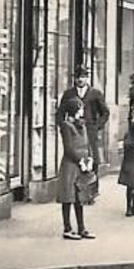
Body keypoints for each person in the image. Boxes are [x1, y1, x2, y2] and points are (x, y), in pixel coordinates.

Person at [57, 95, 98, 240]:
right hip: (71, 165)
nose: (82, 112)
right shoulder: (66, 126)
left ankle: (82, 228)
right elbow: (68, 148)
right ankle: (67, 228)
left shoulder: (82, 125)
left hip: (82, 163)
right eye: (80, 109)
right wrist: (80, 160)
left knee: (80, 197)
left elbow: (88, 144)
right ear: (73, 110)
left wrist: (90, 158)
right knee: (68, 197)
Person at [58, 66, 110, 173]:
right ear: (74, 78)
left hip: (90, 131)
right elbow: (60, 113)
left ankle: (92, 188)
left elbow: (105, 113)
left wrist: (96, 126)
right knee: (75, 159)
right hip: (74, 133)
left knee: (92, 160)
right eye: (77, 77)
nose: (80, 79)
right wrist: (64, 126)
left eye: (82, 77)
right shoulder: (68, 94)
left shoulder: (95, 93)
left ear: (87, 78)